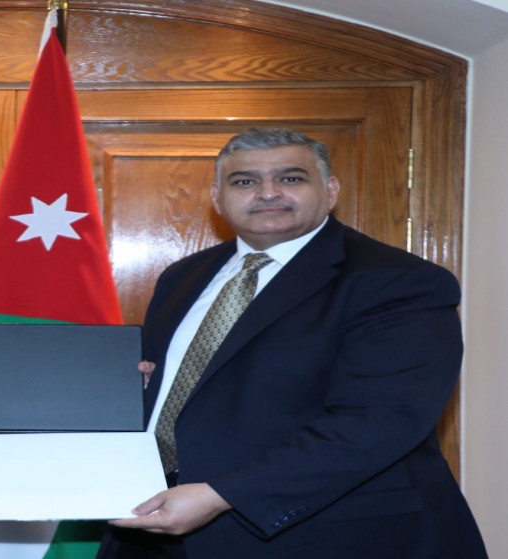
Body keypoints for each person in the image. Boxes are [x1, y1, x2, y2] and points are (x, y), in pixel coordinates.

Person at [100, 128, 487, 558]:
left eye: (290, 178)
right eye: (245, 181)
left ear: (330, 190)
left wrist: (222, 495)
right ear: (217, 198)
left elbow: (380, 420)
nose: (268, 192)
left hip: (327, 536)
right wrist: (144, 388)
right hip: (158, 526)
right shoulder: (183, 276)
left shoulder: (397, 281)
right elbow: (199, 386)